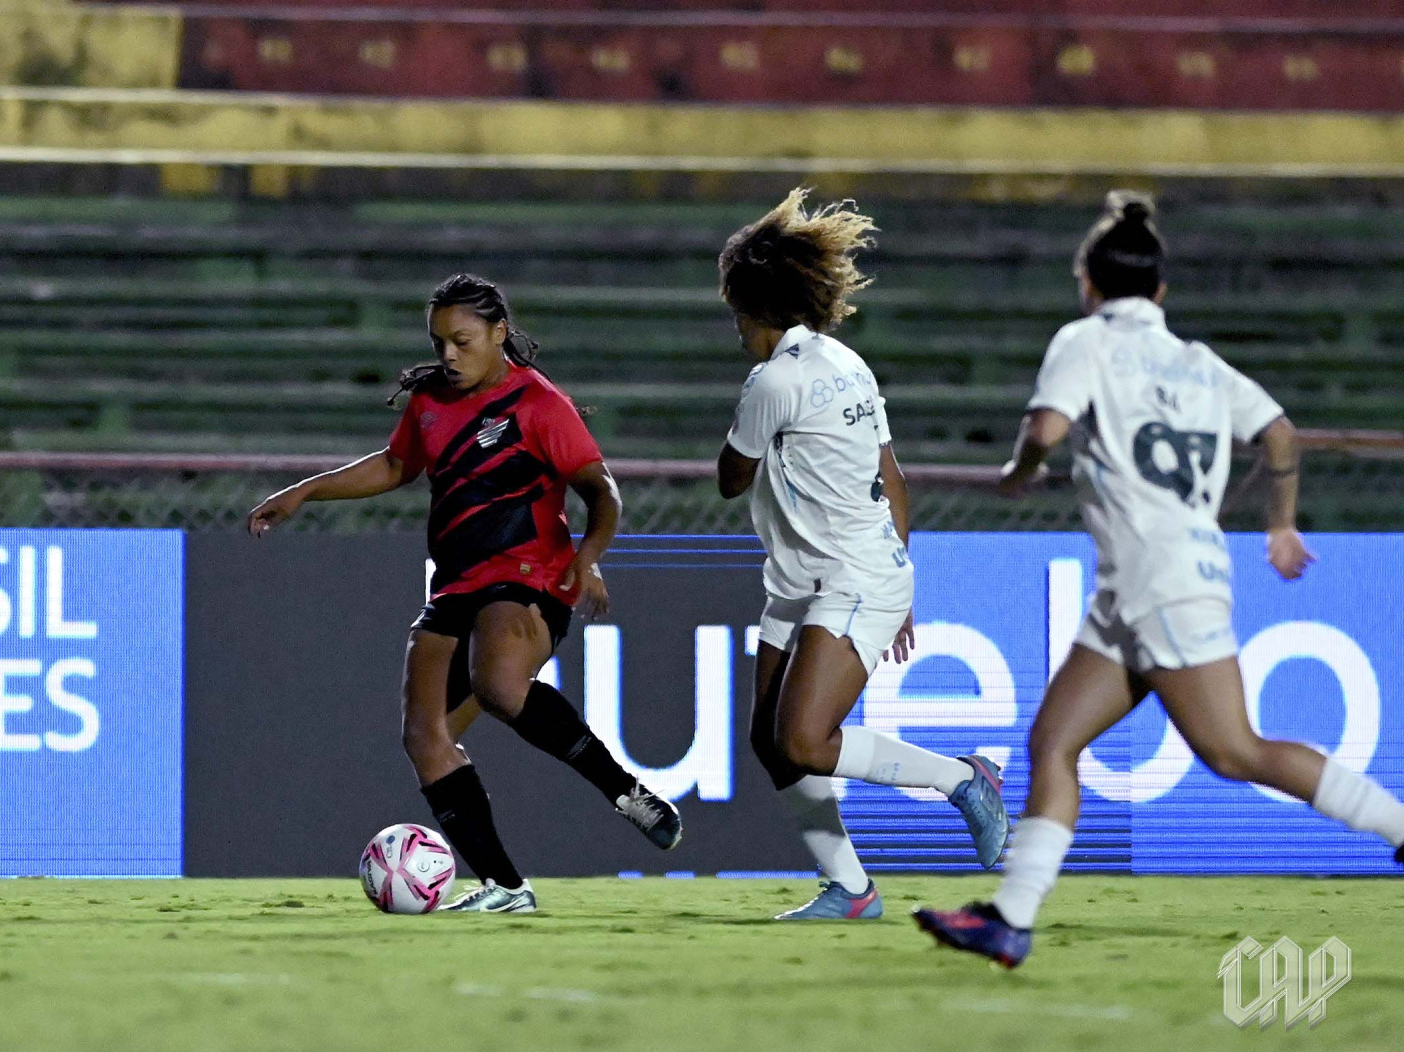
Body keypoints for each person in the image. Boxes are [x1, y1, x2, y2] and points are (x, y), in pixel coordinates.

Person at [914, 192, 1404, 968]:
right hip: (1152, 581)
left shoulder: (1085, 341)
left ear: (1088, 283)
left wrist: (1020, 471)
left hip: (1158, 580)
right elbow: (1278, 433)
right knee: (1054, 742)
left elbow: (1045, 429)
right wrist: (1279, 523)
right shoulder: (1199, 362)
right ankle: (1009, 919)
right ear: (1162, 292)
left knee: (1237, 752)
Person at [248, 273, 682, 914]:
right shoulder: (430, 401)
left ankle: (625, 793)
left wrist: (588, 557)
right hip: (456, 581)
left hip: (531, 574)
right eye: (439, 342)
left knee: (501, 686)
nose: (449, 354)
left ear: (499, 333)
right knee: (425, 734)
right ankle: (507, 887)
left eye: (462, 340)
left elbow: (602, 490)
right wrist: (306, 490)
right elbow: (397, 465)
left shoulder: (539, 405)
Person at [716, 189, 1009, 921]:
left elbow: (729, 478)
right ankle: (850, 889)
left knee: (804, 740)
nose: (735, 328)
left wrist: (886, 578)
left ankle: (962, 777)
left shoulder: (773, 380)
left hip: (845, 576)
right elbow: (891, 475)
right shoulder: (847, 362)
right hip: (813, 577)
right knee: (770, 740)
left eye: (737, 313)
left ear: (758, 310)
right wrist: (901, 575)